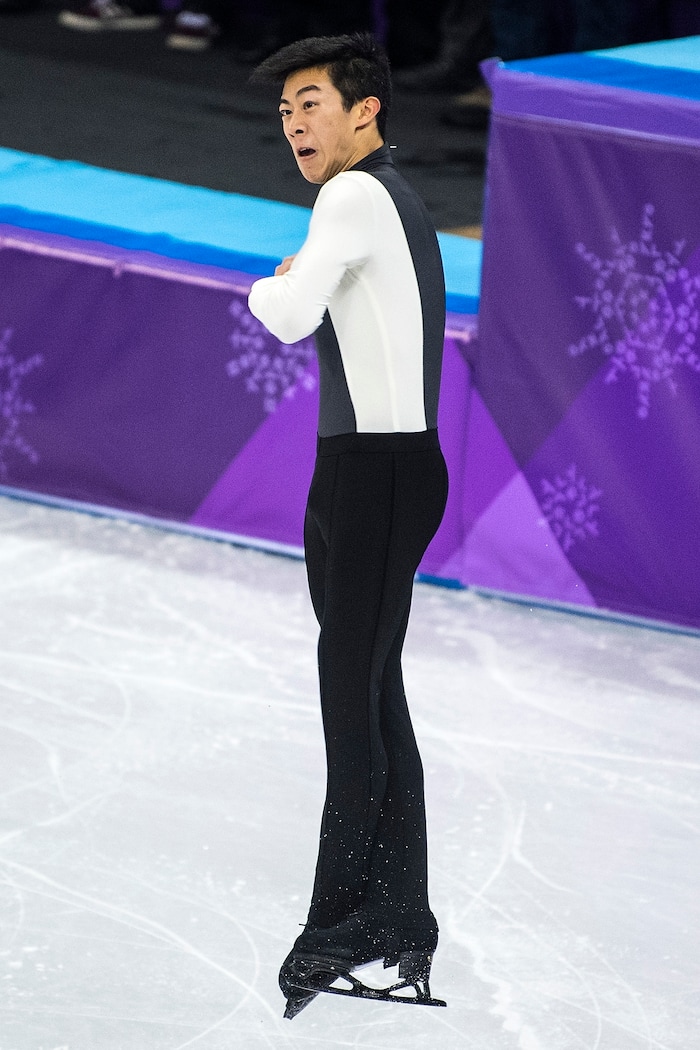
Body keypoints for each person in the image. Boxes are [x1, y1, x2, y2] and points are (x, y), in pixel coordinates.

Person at [248, 32, 449, 1018]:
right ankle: (398, 919)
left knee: (350, 700)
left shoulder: (353, 196)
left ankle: (340, 928)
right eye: (286, 111)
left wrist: (266, 280)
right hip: (370, 473)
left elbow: (288, 312)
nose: (295, 124)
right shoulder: (392, 199)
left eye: (312, 103)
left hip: (374, 477)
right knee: (373, 697)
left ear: (364, 111)